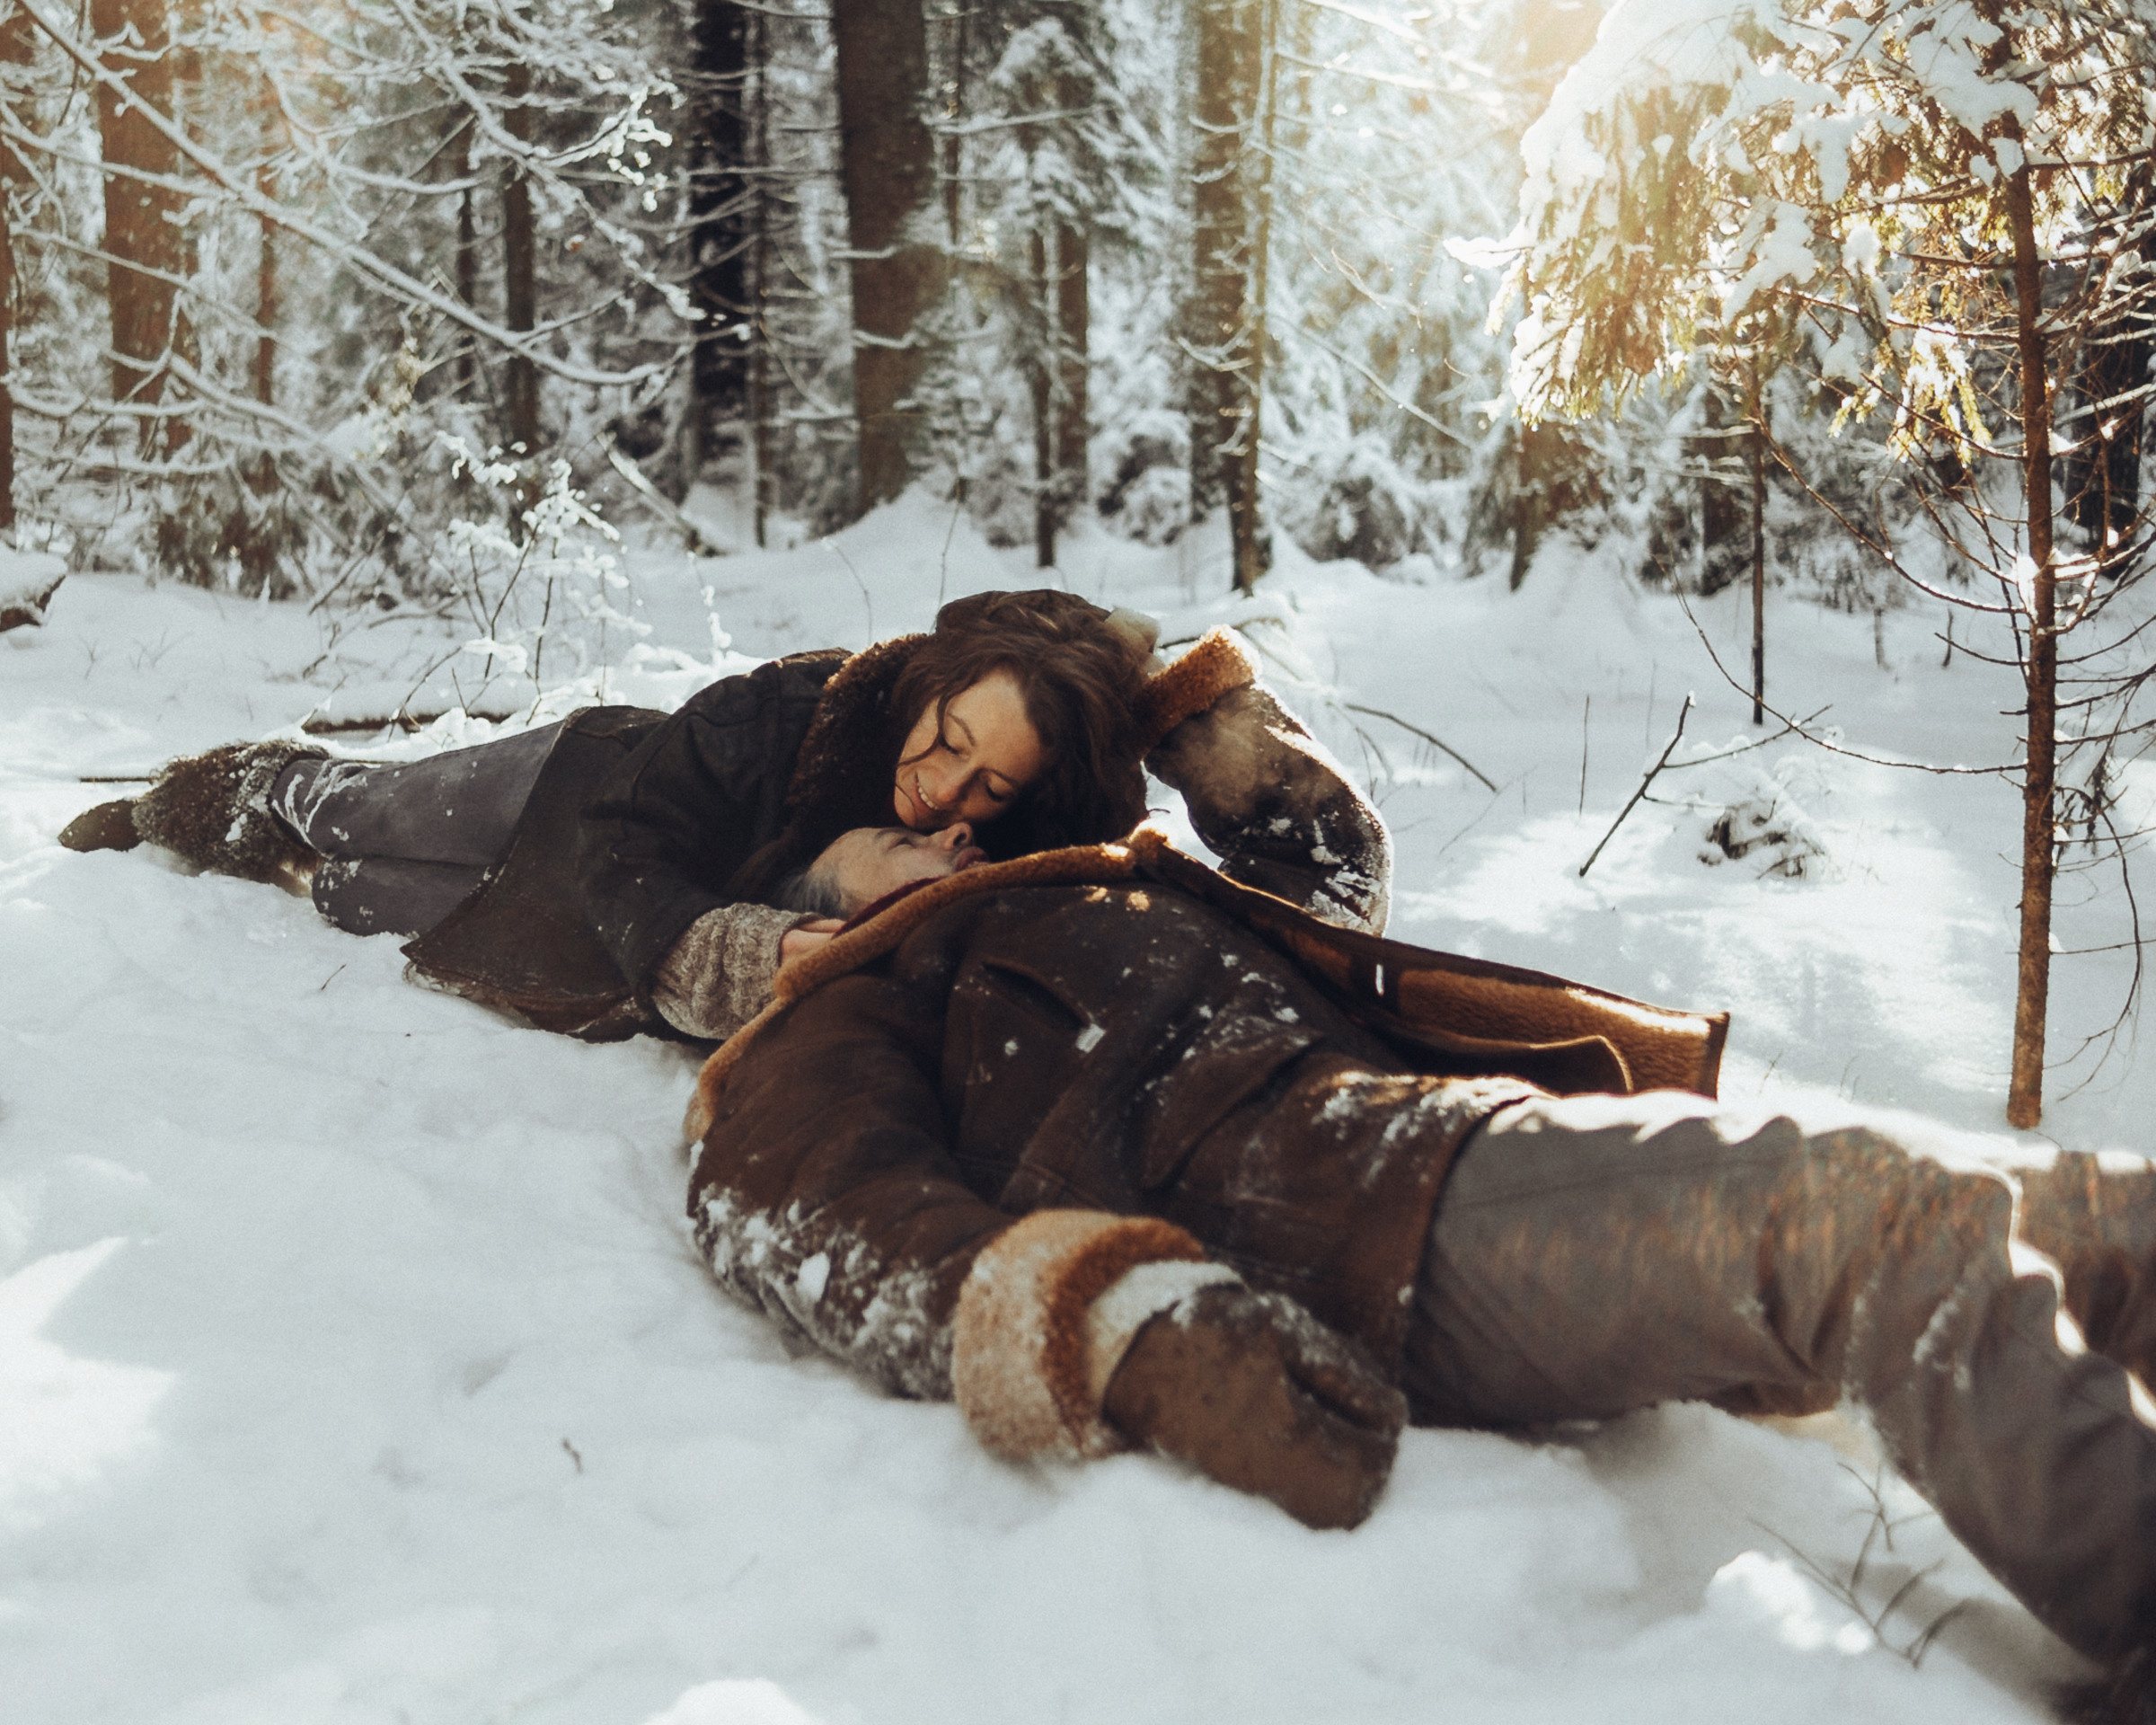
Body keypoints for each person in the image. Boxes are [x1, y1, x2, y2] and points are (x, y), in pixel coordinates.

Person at [680, 702, 2156, 1722]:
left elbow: (1323, 865)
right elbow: (816, 1221)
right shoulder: (841, 1011)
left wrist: (1191, 712)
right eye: (897, 847)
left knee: (2089, 1214)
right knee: (1870, 1222)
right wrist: (1117, 1322)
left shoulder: (1092, 896)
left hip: (1442, 1138)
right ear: (809, 906)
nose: (946, 841)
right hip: (1345, 1220)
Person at [58, 590, 1381, 1044]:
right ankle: (189, 798)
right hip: (582, 798)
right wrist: (776, 914)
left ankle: (257, 849)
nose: (947, 787)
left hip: (579, 944)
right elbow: (634, 846)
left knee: (337, 889)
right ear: (926, 686)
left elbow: (1307, 894)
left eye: (993, 784)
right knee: (349, 803)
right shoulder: (795, 705)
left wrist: (1193, 720)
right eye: (946, 742)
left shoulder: (1013, 852)